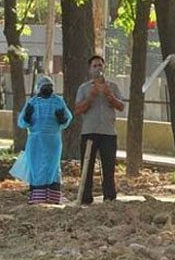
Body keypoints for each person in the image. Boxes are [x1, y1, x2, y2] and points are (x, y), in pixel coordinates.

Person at [14, 76, 72, 204]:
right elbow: (22, 123)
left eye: (49, 87)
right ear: (39, 88)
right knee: (36, 167)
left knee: (53, 167)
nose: (47, 89)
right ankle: (37, 197)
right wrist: (27, 117)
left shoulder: (58, 101)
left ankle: (53, 197)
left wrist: (62, 119)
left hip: (53, 141)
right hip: (36, 142)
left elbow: (67, 119)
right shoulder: (33, 102)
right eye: (45, 87)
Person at [74, 55, 124, 204]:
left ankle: (109, 198)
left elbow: (121, 106)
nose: (98, 68)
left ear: (104, 67)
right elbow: (78, 110)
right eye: (94, 66)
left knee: (108, 167)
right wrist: (91, 97)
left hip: (108, 133)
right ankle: (85, 198)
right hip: (89, 132)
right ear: (90, 69)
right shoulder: (84, 88)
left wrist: (110, 96)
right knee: (87, 167)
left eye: (100, 65)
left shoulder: (113, 86)